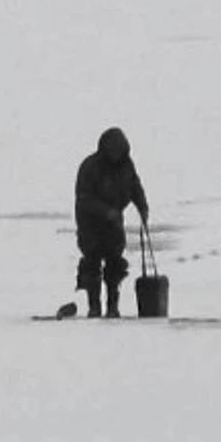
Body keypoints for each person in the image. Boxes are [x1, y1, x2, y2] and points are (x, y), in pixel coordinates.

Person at [74, 126, 149, 319]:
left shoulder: (126, 166)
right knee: (92, 263)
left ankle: (113, 306)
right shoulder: (90, 167)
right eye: (112, 151)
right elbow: (84, 198)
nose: (115, 155)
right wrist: (106, 211)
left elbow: (134, 187)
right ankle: (94, 306)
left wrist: (143, 208)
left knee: (115, 264)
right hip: (89, 223)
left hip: (114, 222)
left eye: (119, 151)